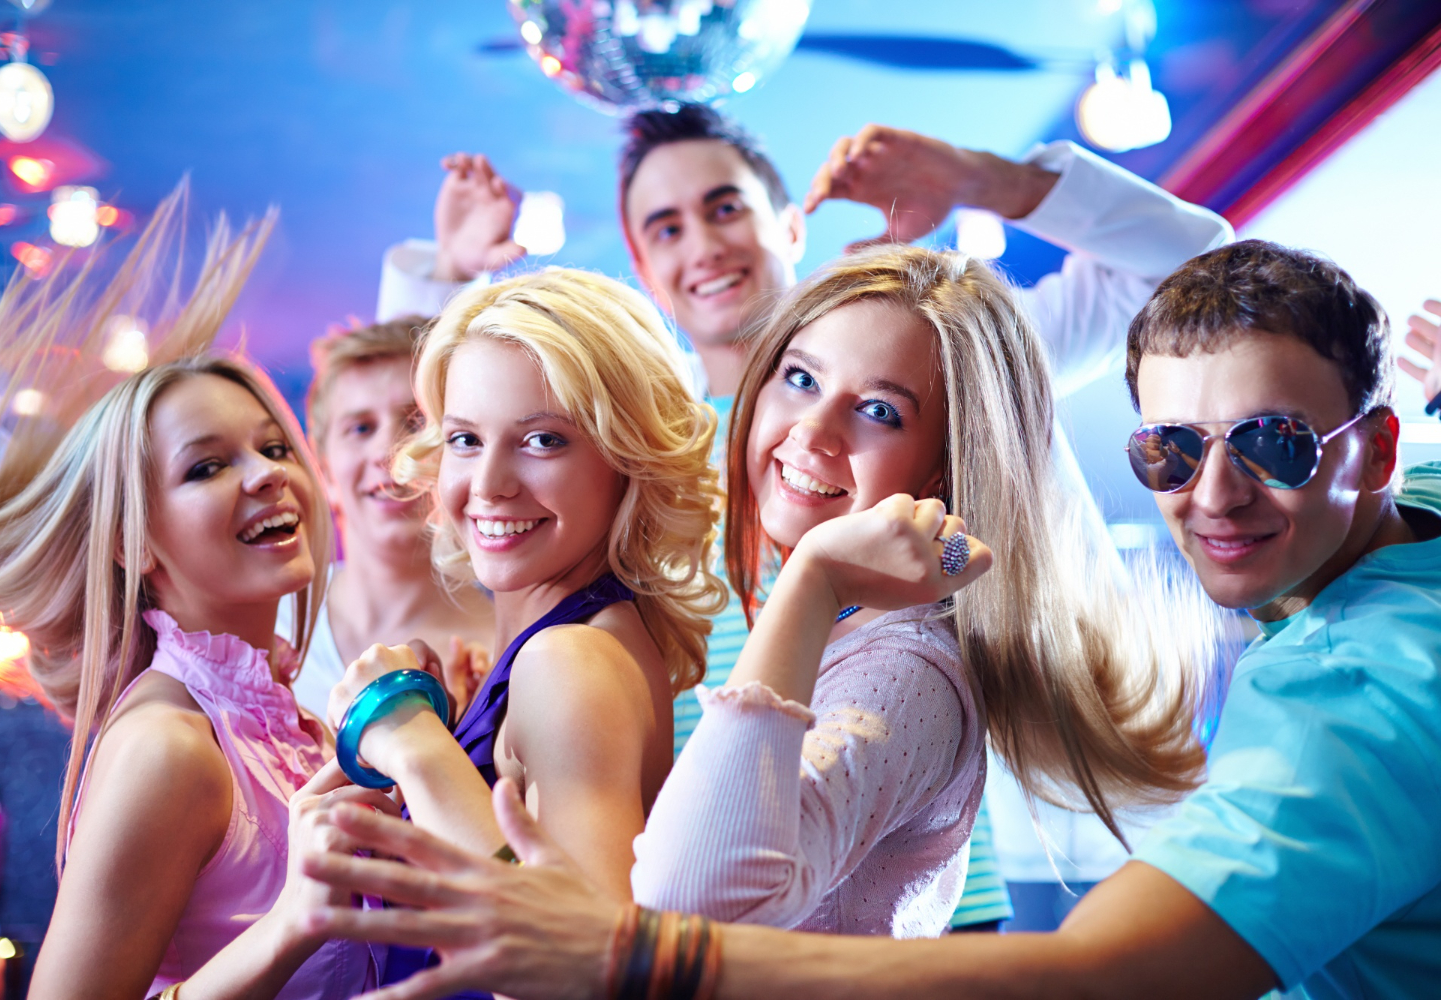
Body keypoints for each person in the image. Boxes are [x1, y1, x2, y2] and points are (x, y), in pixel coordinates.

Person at [298, 241, 1441, 1000]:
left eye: (879, 409)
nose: (1216, 491)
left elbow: (661, 913)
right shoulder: (1407, 535)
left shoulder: (901, 663)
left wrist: (809, 590)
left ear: (947, 459)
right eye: (797, 378)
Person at [376, 111, 1233, 930]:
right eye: (666, 227)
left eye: (725, 207)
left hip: (878, 877)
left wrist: (982, 179)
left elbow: (1194, 267)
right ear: (640, 260)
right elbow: (467, 458)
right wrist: (442, 276)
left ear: (789, 224)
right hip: (717, 853)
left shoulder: (937, 338)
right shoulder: (653, 443)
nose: (704, 244)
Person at [0, 188, 389, 998]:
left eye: (273, 446)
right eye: (207, 466)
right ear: (132, 541)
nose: (267, 477)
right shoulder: (169, 747)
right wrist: (292, 926)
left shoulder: (286, 722)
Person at [324, 267, 724, 984]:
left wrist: (416, 746)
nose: (489, 484)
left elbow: (584, 975)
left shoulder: (571, 661)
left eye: (542, 441)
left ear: (627, 458)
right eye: (465, 439)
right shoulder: (572, 642)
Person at [276, 316, 494, 717]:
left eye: (416, 422)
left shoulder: (500, 651)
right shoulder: (270, 622)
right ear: (322, 469)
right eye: (360, 428)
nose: (389, 452)